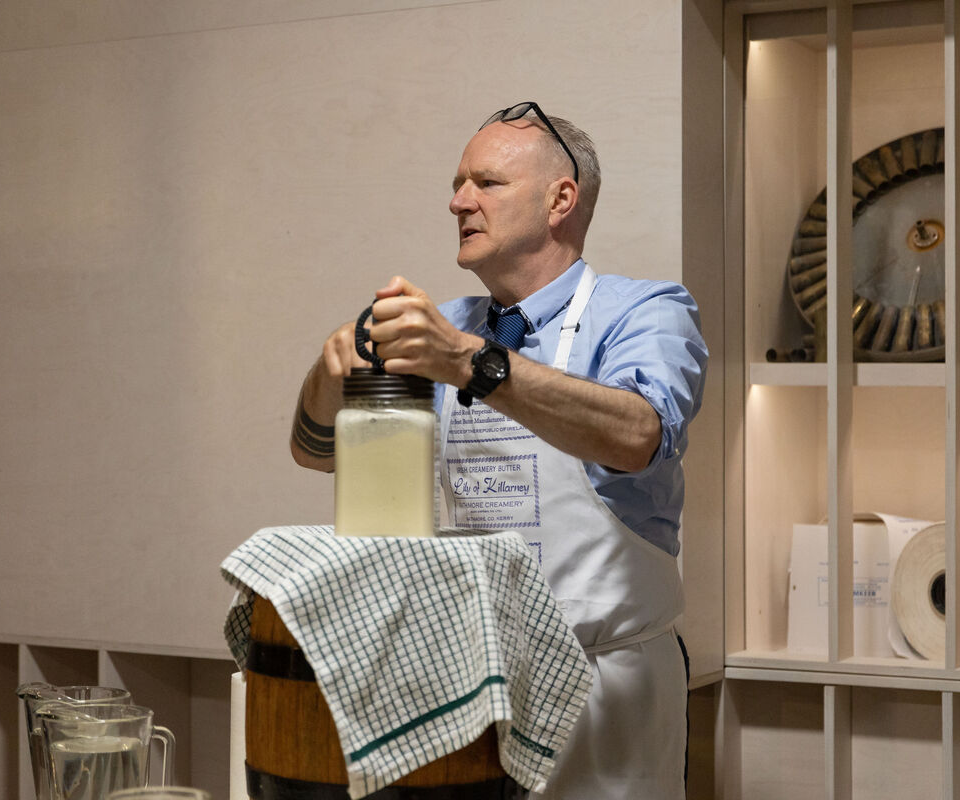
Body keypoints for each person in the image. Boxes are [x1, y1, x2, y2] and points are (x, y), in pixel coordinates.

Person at [290, 101, 708, 800]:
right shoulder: (446, 323)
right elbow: (317, 452)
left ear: (560, 199)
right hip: (463, 687)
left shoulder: (644, 311)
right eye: (458, 183)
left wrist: (472, 363)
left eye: (486, 183)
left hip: (603, 694)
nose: (458, 201)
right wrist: (329, 375)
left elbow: (639, 436)